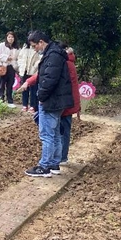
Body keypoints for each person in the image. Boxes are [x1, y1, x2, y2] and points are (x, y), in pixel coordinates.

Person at [24, 30, 73, 177]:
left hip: (51, 100)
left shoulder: (52, 56)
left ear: (41, 42)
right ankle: (54, 164)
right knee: (55, 133)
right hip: (57, 100)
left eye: (34, 46)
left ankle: (44, 166)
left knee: (47, 135)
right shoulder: (55, 54)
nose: (34, 49)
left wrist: (40, 96)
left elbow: (49, 80)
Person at [58, 43, 81, 164]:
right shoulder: (70, 62)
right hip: (70, 101)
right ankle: (62, 156)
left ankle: (62, 157)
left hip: (66, 102)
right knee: (64, 129)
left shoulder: (65, 63)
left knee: (62, 130)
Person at [0, 31, 19, 108]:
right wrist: (6, 57)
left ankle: (10, 101)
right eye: (9, 37)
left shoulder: (16, 47)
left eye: (12, 37)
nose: (10, 39)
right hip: (2, 66)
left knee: (10, 84)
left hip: (12, 67)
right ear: (6, 38)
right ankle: (0, 99)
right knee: (1, 83)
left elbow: (18, 58)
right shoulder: (1, 45)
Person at [17, 42, 40, 113]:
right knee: (24, 89)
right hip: (24, 71)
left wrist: (35, 66)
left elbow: (40, 59)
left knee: (34, 89)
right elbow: (19, 58)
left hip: (33, 71)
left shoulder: (37, 47)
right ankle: (24, 105)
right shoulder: (24, 48)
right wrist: (20, 65)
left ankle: (33, 106)